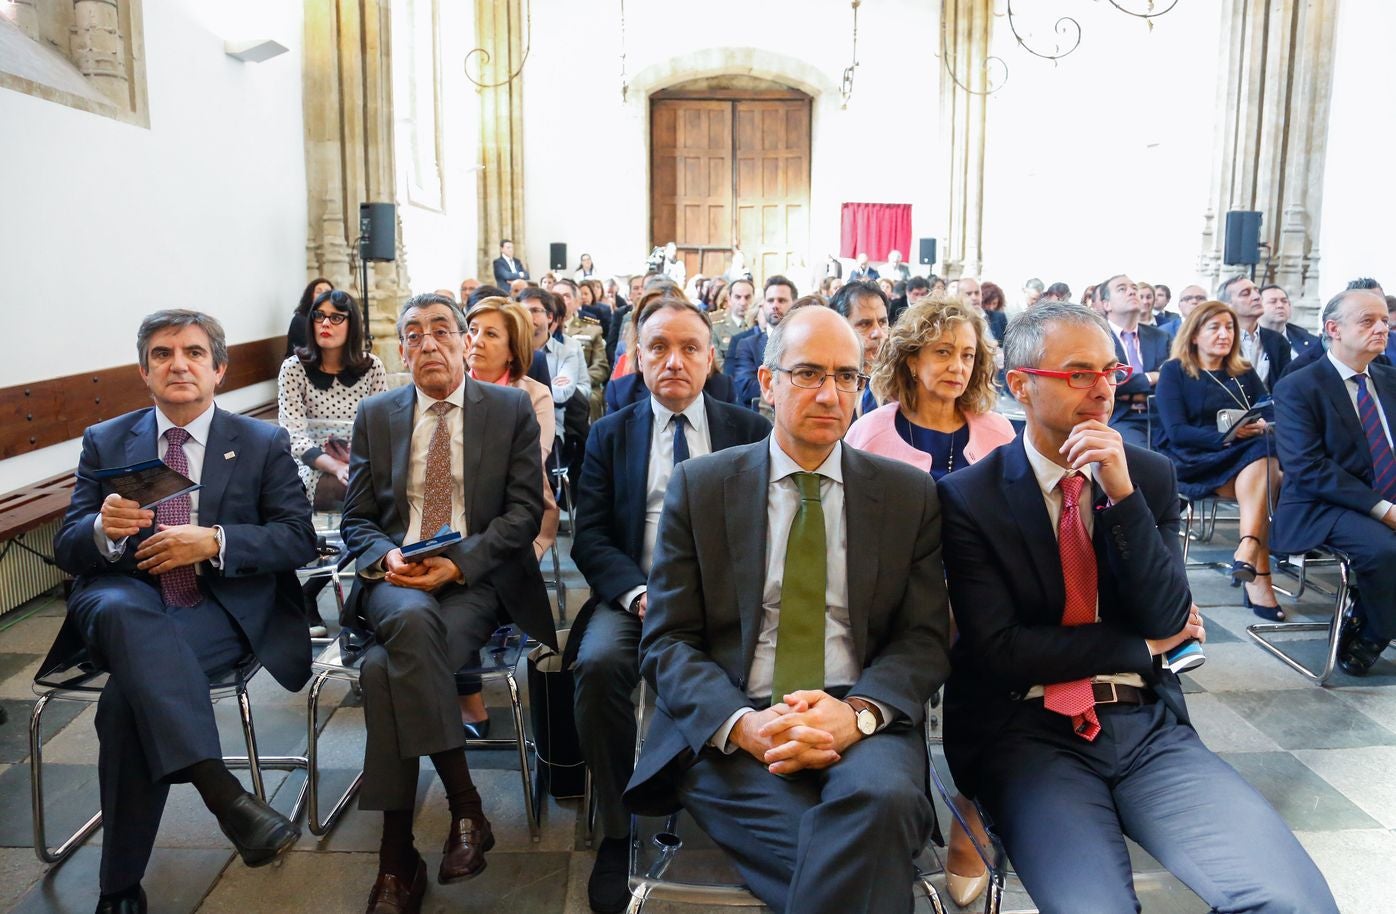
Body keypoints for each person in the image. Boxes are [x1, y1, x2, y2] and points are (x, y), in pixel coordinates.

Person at [937, 301, 1337, 914]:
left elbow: (1169, 614)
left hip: (1146, 725)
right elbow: (1000, 652)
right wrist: (1142, 649)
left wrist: (1119, 493)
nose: (1101, 390)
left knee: (1291, 901)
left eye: (1110, 372)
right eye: (1078, 374)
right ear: (1019, 386)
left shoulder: (1145, 477)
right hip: (1027, 734)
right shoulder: (971, 497)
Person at [624, 305, 950, 914]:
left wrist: (856, 715)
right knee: (870, 848)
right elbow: (666, 641)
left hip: (859, 712)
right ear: (767, 382)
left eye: (847, 376)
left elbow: (924, 638)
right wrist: (742, 725)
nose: (830, 393)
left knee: (881, 804)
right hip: (735, 719)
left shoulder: (907, 494)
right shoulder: (703, 487)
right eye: (807, 374)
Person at [52, 310, 317, 912]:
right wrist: (100, 529)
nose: (179, 364)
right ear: (143, 371)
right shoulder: (107, 440)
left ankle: (118, 890)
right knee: (122, 615)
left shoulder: (260, 442)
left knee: (127, 702)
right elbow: (68, 550)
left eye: (195, 353)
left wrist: (217, 540)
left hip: (213, 605)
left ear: (218, 369)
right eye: (164, 354)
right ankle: (225, 795)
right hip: (124, 593)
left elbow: (298, 538)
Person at [339, 293, 555, 913]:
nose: (428, 342)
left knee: (384, 672)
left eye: (441, 330)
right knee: (405, 622)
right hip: (396, 580)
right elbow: (355, 517)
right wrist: (389, 558)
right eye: (413, 334)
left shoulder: (509, 408)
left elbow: (522, 513)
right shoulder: (377, 414)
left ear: (465, 342)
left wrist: (458, 563)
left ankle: (396, 861)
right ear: (400, 350)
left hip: (474, 581)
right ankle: (467, 809)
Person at [570, 294, 770, 913]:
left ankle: (760, 817)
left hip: (731, 602)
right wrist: (636, 594)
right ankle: (614, 826)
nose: (675, 361)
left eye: (689, 348)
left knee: (774, 660)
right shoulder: (611, 433)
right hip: (639, 593)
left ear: (712, 358)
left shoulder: (749, 430)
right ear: (638, 357)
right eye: (659, 347)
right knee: (599, 666)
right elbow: (593, 535)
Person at [843, 295, 1013, 906]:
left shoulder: (997, 432)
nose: (957, 366)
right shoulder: (870, 431)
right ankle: (903, 812)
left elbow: (1013, 533)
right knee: (892, 671)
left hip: (980, 598)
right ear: (911, 359)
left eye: (968, 354)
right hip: (891, 599)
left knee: (990, 675)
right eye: (943, 352)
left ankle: (970, 817)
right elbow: (854, 538)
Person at [1273, 288, 1396, 675]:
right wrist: (1386, 510)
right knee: (1384, 550)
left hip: (1385, 492)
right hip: (1323, 503)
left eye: (1384, 321)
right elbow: (1308, 468)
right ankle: (1374, 630)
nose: (1382, 328)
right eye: (1367, 321)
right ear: (1333, 329)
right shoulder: (1299, 386)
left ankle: (1369, 611)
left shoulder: (1390, 379)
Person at [1154, 300, 1282, 619]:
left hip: (1242, 457)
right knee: (1272, 475)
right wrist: (1229, 435)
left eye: (1229, 328)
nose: (1224, 334)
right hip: (1192, 457)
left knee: (1266, 452)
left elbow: (1268, 407)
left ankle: (1248, 552)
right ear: (1194, 335)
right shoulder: (1174, 372)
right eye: (1215, 327)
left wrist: (1262, 422)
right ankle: (1254, 561)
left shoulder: (1242, 371)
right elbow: (1177, 431)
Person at [277, 288, 388, 635]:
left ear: (351, 323)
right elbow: (293, 433)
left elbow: (382, 428)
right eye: (319, 316)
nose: (326, 323)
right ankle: (307, 591)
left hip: (361, 462)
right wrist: (333, 464)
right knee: (327, 489)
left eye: (336, 317)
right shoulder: (294, 368)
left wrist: (355, 464)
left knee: (385, 503)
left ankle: (325, 592)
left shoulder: (372, 368)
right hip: (310, 465)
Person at [1100, 273, 1170, 448]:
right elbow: (1108, 382)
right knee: (1147, 462)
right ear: (1106, 304)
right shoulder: (1097, 338)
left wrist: (1129, 391)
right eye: (1122, 289)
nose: (1132, 292)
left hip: (1162, 416)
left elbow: (1171, 378)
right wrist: (1151, 377)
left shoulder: (1160, 337)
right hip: (1120, 418)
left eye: (1134, 288)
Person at [729, 275, 797, 409]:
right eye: (770, 300)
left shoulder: (804, 342)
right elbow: (746, 388)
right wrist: (794, 388)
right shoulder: (748, 345)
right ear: (763, 304)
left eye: (781, 300)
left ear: (794, 303)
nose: (775, 305)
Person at [829, 280, 891, 418]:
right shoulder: (825, 385)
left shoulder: (903, 383)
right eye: (865, 324)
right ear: (839, 328)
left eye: (882, 322)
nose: (878, 333)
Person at [1219, 274, 1289, 391]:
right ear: (1227, 305)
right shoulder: (1219, 340)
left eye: (1257, 291)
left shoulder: (1278, 341)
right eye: (1246, 293)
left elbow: (1285, 386)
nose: (1257, 297)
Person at [553, 277, 610, 419]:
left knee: (591, 399)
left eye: (566, 296)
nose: (560, 300)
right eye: (555, 296)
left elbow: (600, 366)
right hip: (549, 385)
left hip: (583, 384)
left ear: (577, 302)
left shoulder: (591, 329)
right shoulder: (543, 330)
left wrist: (576, 382)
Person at [1258, 283, 1320, 358]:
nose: (1280, 305)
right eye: (1273, 301)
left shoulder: (1309, 341)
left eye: (1284, 301)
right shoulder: (1247, 340)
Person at [710, 277, 754, 369]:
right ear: (729, 299)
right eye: (738, 297)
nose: (743, 302)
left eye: (747, 297)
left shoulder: (760, 325)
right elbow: (718, 363)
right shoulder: (716, 327)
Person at [286, 277, 333, 357]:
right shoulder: (300, 320)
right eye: (319, 291)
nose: (323, 295)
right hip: (302, 365)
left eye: (327, 292)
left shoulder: (331, 319)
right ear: (310, 295)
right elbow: (312, 351)